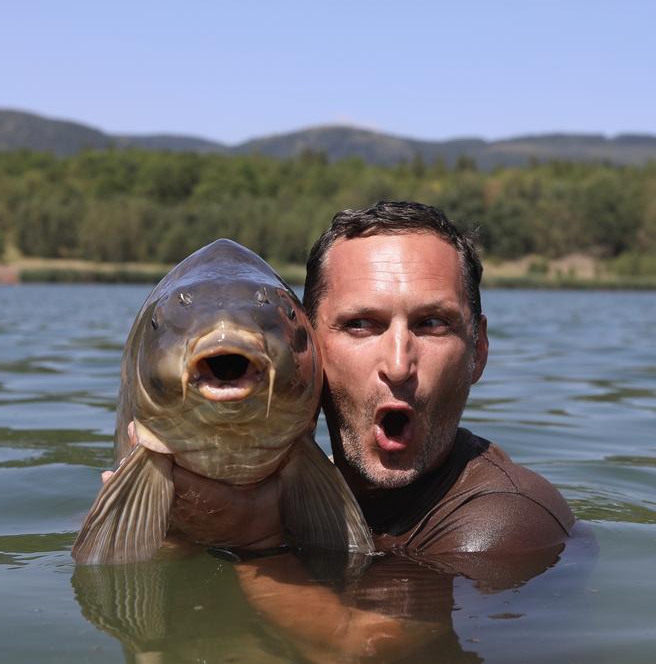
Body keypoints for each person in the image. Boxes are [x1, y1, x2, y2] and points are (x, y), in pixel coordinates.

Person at [168, 200, 575, 560]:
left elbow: (378, 647)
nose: (398, 365)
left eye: (432, 324)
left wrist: (254, 540)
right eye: (361, 325)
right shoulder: (306, 487)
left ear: (478, 350)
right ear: (304, 347)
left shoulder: (506, 520)